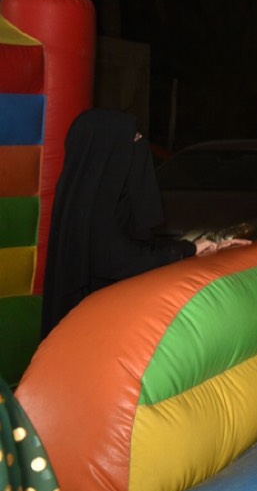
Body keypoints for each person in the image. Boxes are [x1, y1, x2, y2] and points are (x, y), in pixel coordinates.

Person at [40, 109, 246, 338]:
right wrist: (186, 250)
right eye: (133, 138)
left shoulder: (100, 201)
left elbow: (136, 248)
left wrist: (200, 247)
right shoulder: (90, 210)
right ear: (107, 150)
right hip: (94, 333)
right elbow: (120, 261)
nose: (141, 144)